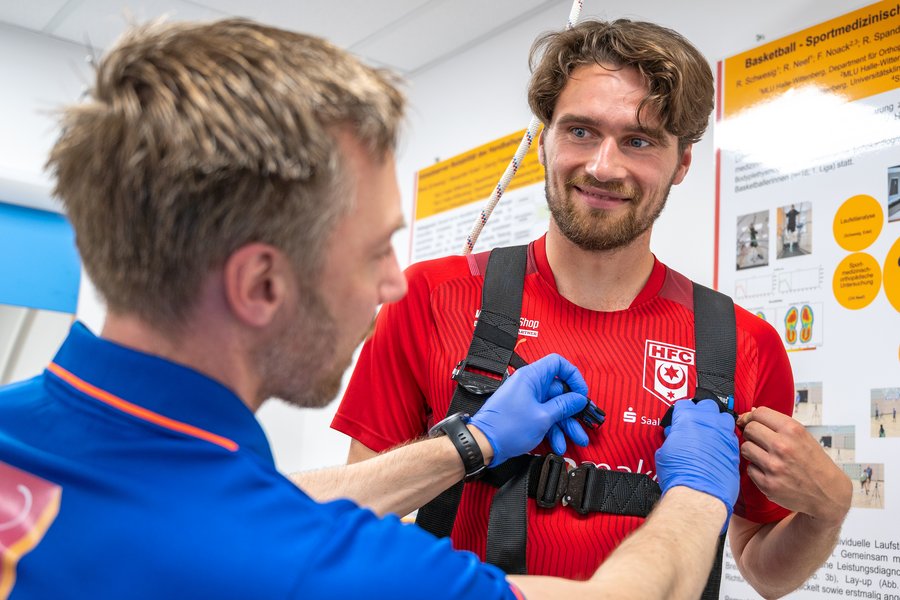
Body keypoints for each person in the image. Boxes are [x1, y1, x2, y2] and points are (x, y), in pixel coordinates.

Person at [0, 18, 742, 600]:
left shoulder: (32, 439)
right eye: (375, 251)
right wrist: (698, 497)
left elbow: (241, 498)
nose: (395, 282)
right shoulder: (325, 572)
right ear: (261, 285)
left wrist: (470, 444)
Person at [333, 18, 852, 599]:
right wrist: (464, 445)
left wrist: (824, 514)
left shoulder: (742, 343)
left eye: (640, 140)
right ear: (544, 140)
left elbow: (763, 569)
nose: (604, 167)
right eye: (580, 130)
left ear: (682, 163)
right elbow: (355, 516)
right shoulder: (432, 297)